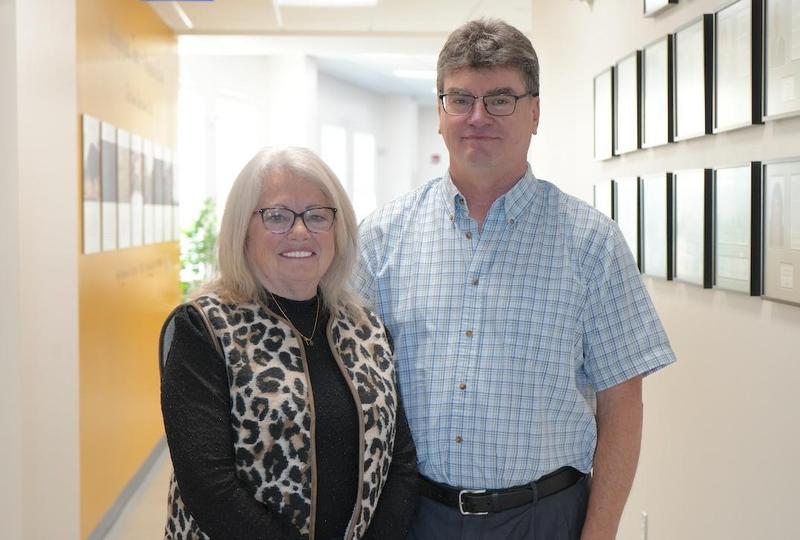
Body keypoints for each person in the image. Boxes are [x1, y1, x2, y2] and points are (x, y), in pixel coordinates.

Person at [353, 18, 676, 540]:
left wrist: (599, 533)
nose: (478, 117)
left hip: (545, 516)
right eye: (460, 99)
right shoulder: (381, 239)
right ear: (440, 112)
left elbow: (622, 406)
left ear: (535, 112)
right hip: (413, 517)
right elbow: (352, 391)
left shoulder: (592, 244)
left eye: (500, 99)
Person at [160, 146, 419, 540]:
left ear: (339, 229)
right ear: (243, 230)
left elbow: (400, 464)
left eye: (317, 216)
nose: (301, 232)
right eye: (277, 216)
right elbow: (211, 489)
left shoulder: (366, 329)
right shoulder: (204, 329)